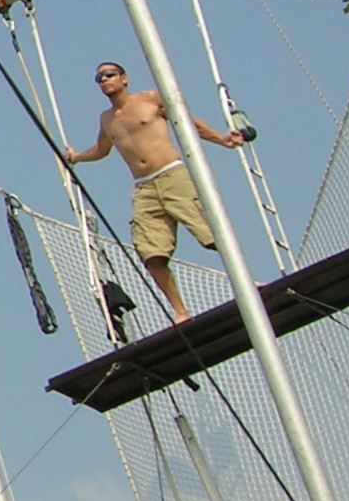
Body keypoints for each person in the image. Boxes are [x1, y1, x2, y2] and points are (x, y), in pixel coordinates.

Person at [64, 60, 254, 326]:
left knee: (214, 235)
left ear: (124, 78)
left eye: (109, 75)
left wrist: (222, 140)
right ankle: (180, 312)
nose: (104, 80)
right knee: (151, 254)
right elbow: (101, 150)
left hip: (172, 176)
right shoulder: (107, 119)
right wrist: (76, 158)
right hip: (145, 189)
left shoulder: (149, 99)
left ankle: (247, 284)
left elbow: (188, 123)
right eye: (99, 79)